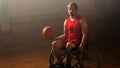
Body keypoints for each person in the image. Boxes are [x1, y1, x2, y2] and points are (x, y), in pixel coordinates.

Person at [52, 2, 88, 68]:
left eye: (73, 9)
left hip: (77, 41)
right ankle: (61, 64)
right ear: (68, 10)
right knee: (54, 44)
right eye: (69, 9)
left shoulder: (81, 20)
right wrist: (55, 38)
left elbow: (85, 34)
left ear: (76, 9)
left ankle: (68, 64)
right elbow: (65, 35)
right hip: (68, 41)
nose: (71, 10)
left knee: (68, 45)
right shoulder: (66, 21)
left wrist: (82, 45)